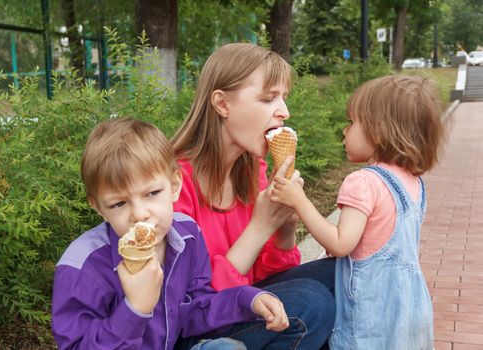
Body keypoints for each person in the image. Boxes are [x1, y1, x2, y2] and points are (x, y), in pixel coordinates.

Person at [51, 118, 291, 350]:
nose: (140, 214)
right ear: (98, 207)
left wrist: (246, 300)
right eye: (118, 204)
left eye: (152, 193)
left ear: (175, 185)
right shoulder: (82, 267)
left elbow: (196, 308)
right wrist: (134, 309)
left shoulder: (187, 236)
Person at [171, 43, 335, 349]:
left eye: (284, 98)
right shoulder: (171, 184)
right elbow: (191, 300)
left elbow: (261, 275)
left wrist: (283, 229)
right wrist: (260, 227)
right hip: (194, 326)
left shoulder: (252, 169)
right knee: (311, 303)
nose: (284, 111)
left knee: (345, 273)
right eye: (268, 98)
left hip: (243, 301)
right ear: (222, 104)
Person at [271, 75, 444, 349]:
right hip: (406, 306)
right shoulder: (413, 183)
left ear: (378, 131)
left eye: (352, 123)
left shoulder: (364, 181)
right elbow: (374, 238)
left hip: (369, 310)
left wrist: (299, 201)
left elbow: (341, 243)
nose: (344, 131)